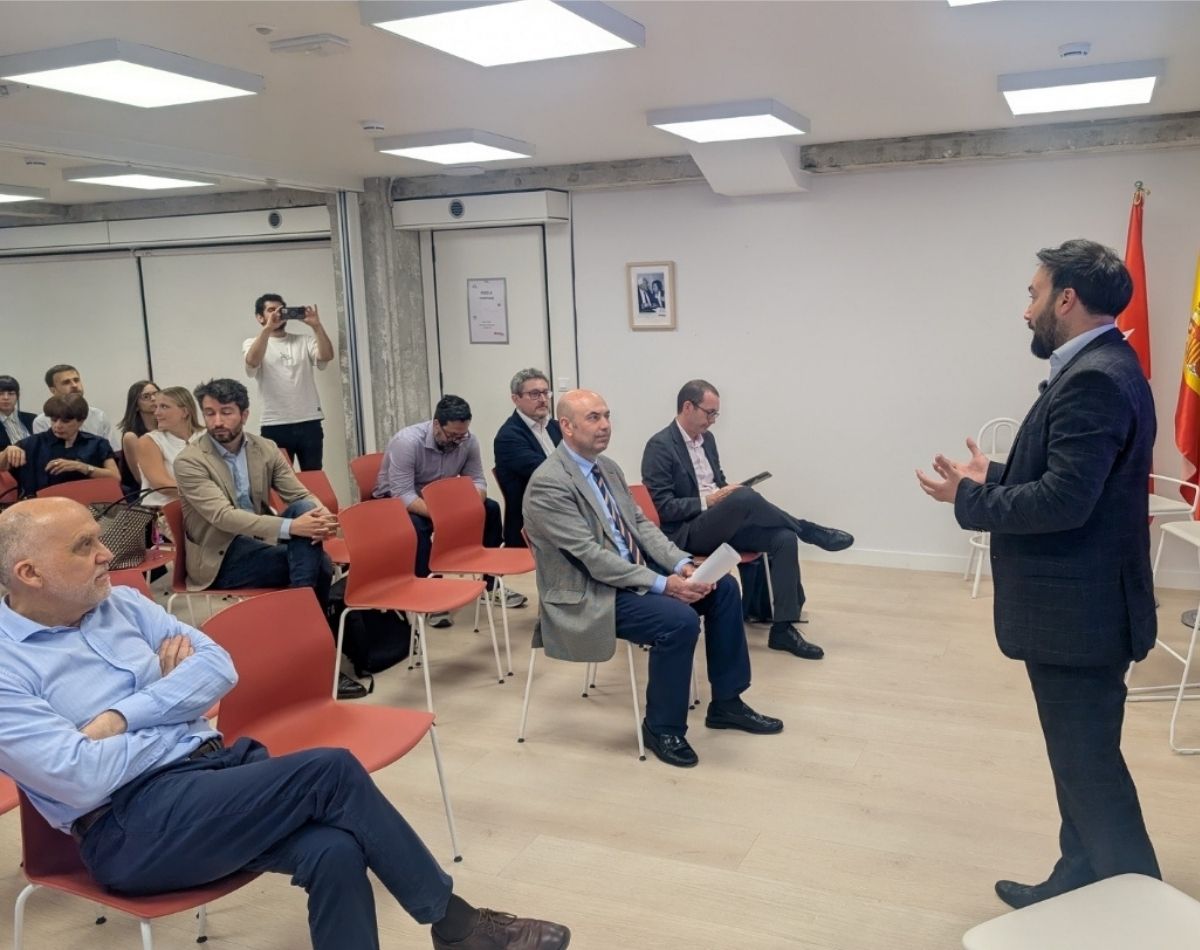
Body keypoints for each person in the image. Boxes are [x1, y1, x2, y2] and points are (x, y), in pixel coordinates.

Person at [0, 497, 571, 950]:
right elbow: (81, 776)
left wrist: (124, 715)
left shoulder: (121, 604)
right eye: (84, 546)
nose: (108, 553)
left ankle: (456, 930)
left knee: (334, 850)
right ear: (30, 573)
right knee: (329, 771)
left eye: (98, 537)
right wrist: (175, 700)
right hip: (129, 827)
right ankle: (458, 927)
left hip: (212, 774)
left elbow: (219, 668)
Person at [916, 239, 1161, 909]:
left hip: (1079, 619)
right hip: (1085, 611)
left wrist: (969, 498)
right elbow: (1076, 481)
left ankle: (1140, 909)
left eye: (1033, 294)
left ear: (1066, 298)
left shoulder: (1094, 378)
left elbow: (1063, 503)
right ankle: (1079, 871)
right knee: (1080, 762)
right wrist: (992, 474)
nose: (1026, 309)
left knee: (1090, 768)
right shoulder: (1107, 365)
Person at [523, 389, 783, 769]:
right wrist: (663, 585)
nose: (605, 425)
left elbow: (642, 526)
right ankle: (662, 729)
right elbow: (591, 558)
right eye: (594, 417)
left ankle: (727, 703)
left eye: (607, 416)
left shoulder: (607, 467)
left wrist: (681, 565)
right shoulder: (549, 483)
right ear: (567, 426)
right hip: (591, 591)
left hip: (629, 574)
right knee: (678, 621)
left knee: (723, 587)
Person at [641, 380, 853, 660]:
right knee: (743, 497)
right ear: (688, 407)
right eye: (709, 413)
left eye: (716, 414)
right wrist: (711, 501)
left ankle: (783, 630)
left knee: (783, 538)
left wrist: (725, 494)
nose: (713, 420)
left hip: (717, 523)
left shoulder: (707, 441)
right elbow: (664, 508)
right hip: (686, 531)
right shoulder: (660, 446)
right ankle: (808, 530)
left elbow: (717, 482)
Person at [375, 394, 526, 625]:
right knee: (417, 526)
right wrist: (444, 515)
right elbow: (402, 494)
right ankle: (430, 593)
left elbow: (477, 481)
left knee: (490, 509)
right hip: (395, 502)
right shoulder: (407, 442)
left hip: (439, 499)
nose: (457, 441)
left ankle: (491, 585)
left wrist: (469, 507)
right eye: (452, 435)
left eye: (461, 435)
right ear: (436, 424)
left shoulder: (468, 441)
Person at [243, 293, 333, 471]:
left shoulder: (304, 341)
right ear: (260, 317)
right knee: (279, 479)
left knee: (314, 476)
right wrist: (267, 329)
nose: (277, 314)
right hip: (274, 423)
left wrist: (316, 326)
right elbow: (252, 361)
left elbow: (327, 356)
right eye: (271, 310)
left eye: (281, 309)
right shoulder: (252, 343)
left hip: (309, 421)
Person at [494, 368, 562, 548]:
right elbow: (549, 474)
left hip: (560, 510)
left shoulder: (555, 427)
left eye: (546, 393)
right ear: (515, 399)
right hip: (534, 524)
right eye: (534, 394)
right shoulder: (509, 437)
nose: (543, 399)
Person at [0, 394, 119, 497]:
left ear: (81, 421)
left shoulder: (97, 443)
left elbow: (115, 478)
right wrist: (6, 452)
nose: (58, 425)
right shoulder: (32, 444)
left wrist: (82, 467)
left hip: (87, 506)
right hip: (39, 506)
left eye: (65, 421)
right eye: (53, 420)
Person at [135, 386, 205, 507]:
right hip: (164, 511)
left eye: (164, 407)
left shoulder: (206, 436)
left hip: (205, 507)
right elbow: (163, 485)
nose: (156, 413)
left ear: (185, 412)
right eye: (156, 407)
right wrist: (207, 494)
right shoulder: (149, 441)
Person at [32, 364, 120, 451]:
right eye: (66, 382)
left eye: (76, 380)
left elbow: (113, 451)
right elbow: (44, 454)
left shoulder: (99, 416)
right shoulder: (42, 421)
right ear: (53, 390)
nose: (74, 385)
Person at [117, 379, 160, 491]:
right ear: (136, 405)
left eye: (156, 394)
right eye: (146, 397)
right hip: (143, 492)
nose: (153, 399)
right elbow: (141, 479)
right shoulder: (131, 436)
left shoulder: (167, 428)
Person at [0, 374, 35, 452]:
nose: (6, 398)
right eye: (0, 393)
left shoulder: (33, 419)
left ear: (18, 396)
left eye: (11, 393)